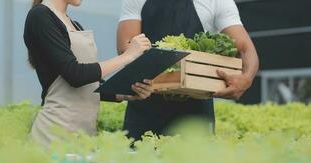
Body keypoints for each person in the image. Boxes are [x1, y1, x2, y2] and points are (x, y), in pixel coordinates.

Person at [117, 0, 259, 140]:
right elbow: (127, 47)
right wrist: (168, 81)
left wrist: (246, 78)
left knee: (195, 161)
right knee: (140, 160)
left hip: (197, 106)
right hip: (144, 101)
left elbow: (245, 48)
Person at [24, 0, 153, 147]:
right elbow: (75, 74)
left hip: (84, 136)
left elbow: (90, 85)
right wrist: (126, 56)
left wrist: (126, 94)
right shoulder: (40, 15)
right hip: (54, 135)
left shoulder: (74, 24)